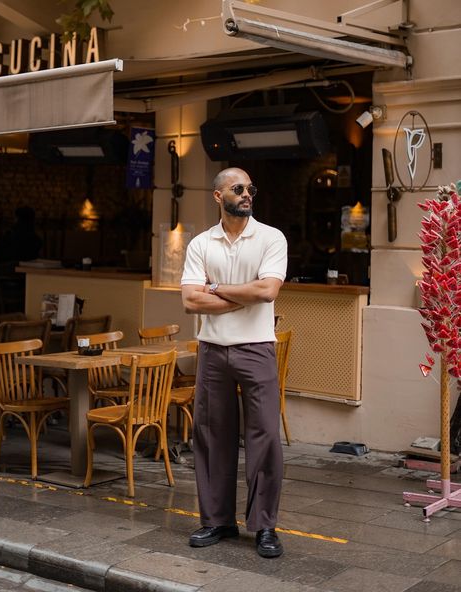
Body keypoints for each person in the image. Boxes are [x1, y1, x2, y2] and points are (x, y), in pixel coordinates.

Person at [181, 167, 287, 558]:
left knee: (265, 439)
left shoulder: (271, 237)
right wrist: (245, 295)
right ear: (218, 196)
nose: (246, 194)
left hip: (257, 347)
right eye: (237, 188)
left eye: (250, 189)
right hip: (211, 350)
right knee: (211, 437)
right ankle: (217, 521)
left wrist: (215, 288)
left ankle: (264, 527)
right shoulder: (200, 244)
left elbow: (268, 289)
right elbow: (191, 301)